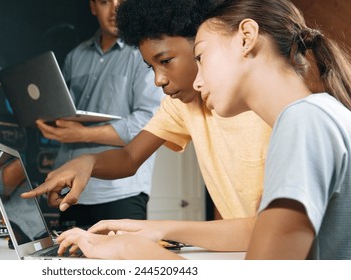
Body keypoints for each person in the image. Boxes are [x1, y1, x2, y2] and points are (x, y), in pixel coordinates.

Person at [23, 0, 273, 258]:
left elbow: (270, 230)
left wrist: (153, 232)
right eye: (151, 67)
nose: (158, 80)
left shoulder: (271, 112)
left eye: (166, 60)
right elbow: (130, 157)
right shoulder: (180, 106)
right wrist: (87, 162)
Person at [192, 0, 351, 259]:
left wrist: (139, 256)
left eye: (201, 57)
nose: (197, 82)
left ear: (246, 37)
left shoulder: (303, 121)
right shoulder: (323, 113)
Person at [35, 0, 164, 229]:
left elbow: (149, 122)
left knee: (121, 263)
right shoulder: (75, 57)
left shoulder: (143, 54)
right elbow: (67, 113)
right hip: (73, 187)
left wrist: (82, 134)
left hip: (121, 191)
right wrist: (50, 120)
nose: (115, 9)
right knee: (67, 263)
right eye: (105, 1)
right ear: (93, 6)